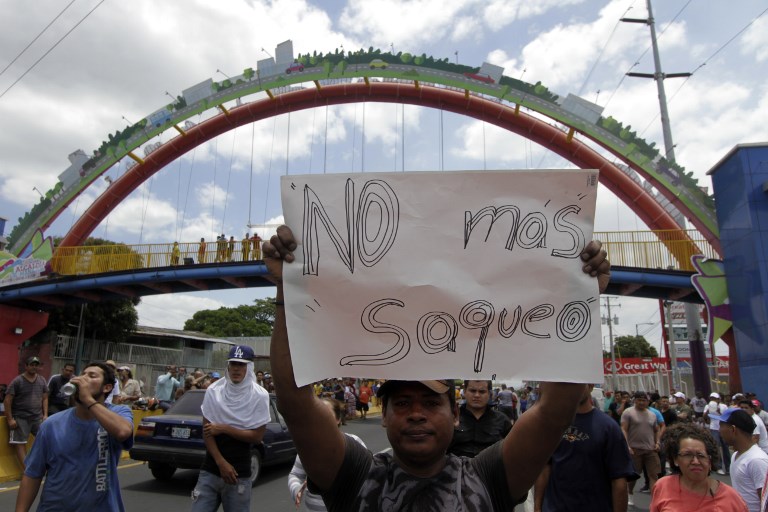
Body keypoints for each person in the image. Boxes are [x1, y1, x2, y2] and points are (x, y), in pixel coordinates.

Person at [261, 225, 611, 510]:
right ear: (384, 417)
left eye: (430, 403)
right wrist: (287, 292)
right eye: (402, 403)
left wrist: (580, 297)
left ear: (455, 414)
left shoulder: (489, 478)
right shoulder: (353, 474)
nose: (416, 414)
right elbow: (296, 403)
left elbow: (554, 412)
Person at [14, 361, 134, 512]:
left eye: (92, 376)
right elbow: (32, 474)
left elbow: (122, 432)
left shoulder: (119, 413)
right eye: (83, 374)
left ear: (107, 387)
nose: (83, 379)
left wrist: (88, 399)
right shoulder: (51, 424)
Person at [190, 345, 270, 512]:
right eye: (233, 364)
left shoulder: (260, 395)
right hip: (211, 470)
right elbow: (208, 432)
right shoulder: (214, 390)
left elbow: (256, 437)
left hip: (239, 474)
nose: (236, 369)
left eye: (241, 364)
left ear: (250, 367)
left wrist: (225, 428)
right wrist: (221, 463)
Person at [534, 384, 636, 512]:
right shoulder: (553, 424)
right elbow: (545, 468)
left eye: (580, 384)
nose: (574, 389)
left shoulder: (609, 427)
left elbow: (619, 480)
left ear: (591, 387)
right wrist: (537, 507)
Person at [288, 398, 367, 511]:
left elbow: (368, 475)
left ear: (338, 419)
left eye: (326, 415)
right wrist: (297, 489)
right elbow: (295, 475)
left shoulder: (354, 443)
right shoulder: (308, 447)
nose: (320, 419)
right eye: (316, 415)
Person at [650, 423, 748, 511]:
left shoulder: (731, 498)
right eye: (687, 454)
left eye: (701, 455)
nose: (696, 462)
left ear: (710, 460)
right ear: (675, 459)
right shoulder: (663, 486)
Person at [715, 408, 768, 512]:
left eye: (721, 426)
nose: (719, 430)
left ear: (733, 429)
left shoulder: (757, 460)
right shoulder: (735, 455)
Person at [448, 380, 512, 458]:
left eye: (482, 392)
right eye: (472, 391)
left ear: (489, 394)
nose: (477, 395)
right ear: (464, 391)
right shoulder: (452, 418)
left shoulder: (502, 420)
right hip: (455, 468)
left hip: (491, 468)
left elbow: (512, 449)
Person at [5, 356, 48, 470]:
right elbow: (7, 400)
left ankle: (46, 465)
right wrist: (10, 419)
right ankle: (27, 471)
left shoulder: (42, 380)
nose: (34, 367)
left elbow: (45, 398)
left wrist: (45, 415)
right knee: (20, 443)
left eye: (36, 365)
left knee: (47, 438)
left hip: (37, 417)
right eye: (32, 365)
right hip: (20, 417)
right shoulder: (18, 381)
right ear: (26, 366)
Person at [622, 391, 662, 507]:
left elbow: (657, 429)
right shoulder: (628, 412)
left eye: (644, 400)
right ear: (635, 400)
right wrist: (627, 445)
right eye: (639, 400)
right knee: (635, 475)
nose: (641, 402)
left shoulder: (652, 414)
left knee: (653, 475)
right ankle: (630, 493)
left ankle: (654, 501)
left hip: (650, 449)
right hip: (634, 449)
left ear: (648, 401)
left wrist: (658, 442)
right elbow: (623, 428)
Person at [706, 392, 731, 475]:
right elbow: (705, 418)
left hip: (723, 428)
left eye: (715, 398)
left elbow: (727, 417)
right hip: (714, 428)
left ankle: (728, 467)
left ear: (718, 399)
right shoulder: (708, 406)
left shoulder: (724, 406)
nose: (713, 400)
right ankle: (718, 467)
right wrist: (707, 412)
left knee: (725, 447)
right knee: (716, 448)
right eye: (711, 398)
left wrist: (719, 412)